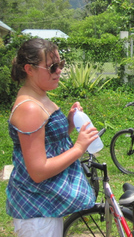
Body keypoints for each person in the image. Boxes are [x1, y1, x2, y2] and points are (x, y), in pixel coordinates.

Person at [6, 38, 97, 237]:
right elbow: (38, 171)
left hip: (46, 204)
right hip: (36, 211)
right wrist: (79, 149)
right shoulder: (30, 108)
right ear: (29, 69)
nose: (59, 71)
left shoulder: (39, 95)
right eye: (52, 67)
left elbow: (48, 143)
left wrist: (70, 122)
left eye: (60, 65)